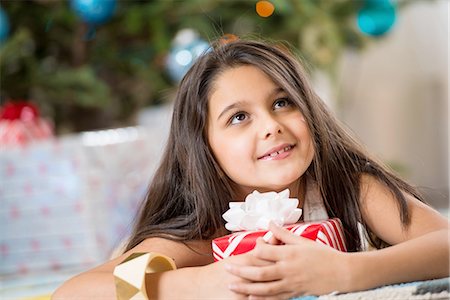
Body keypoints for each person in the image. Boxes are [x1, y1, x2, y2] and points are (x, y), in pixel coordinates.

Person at [53, 38, 449, 299]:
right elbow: (74, 292)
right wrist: (205, 283)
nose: (271, 125)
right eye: (239, 117)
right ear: (204, 148)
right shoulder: (204, 229)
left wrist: (347, 272)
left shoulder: (345, 186)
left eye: (282, 103)